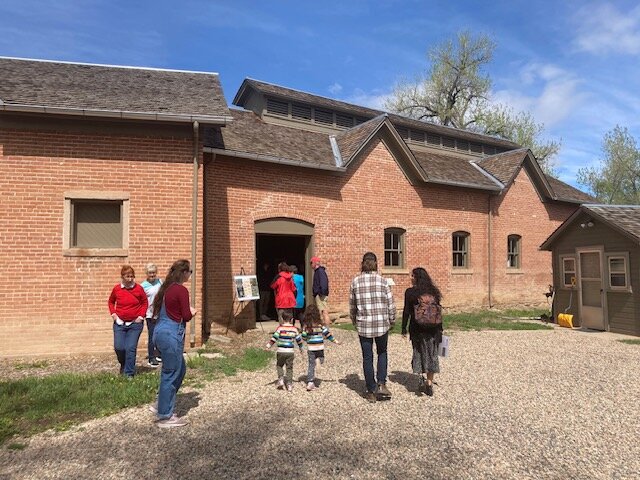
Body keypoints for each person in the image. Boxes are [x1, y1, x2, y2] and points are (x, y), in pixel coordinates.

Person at [150, 259, 196, 428]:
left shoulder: (165, 289)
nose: (190, 275)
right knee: (170, 373)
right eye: (189, 272)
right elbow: (186, 315)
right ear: (183, 273)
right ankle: (165, 416)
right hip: (171, 335)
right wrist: (192, 312)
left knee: (180, 369)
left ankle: (161, 403)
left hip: (160, 332)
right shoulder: (181, 290)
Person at [349, 252, 396, 403]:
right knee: (382, 352)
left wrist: (354, 320)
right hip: (381, 323)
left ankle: (370, 390)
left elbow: (352, 306)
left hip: (364, 324)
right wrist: (392, 320)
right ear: (376, 263)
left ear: (362, 263)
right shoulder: (383, 281)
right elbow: (391, 304)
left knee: (367, 356)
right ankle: (381, 384)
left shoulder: (355, 282)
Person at [401, 267, 443, 397]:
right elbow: (439, 311)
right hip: (433, 329)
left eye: (412, 276)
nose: (411, 278)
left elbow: (406, 311)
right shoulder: (434, 292)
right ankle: (429, 383)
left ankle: (420, 380)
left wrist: (403, 328)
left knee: (418, 352)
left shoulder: (411, 292)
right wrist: (440, 329)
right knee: (432, 354)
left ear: (417, 278)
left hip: (417, 329)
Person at [108, 265, 148, 377]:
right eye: (127, 276)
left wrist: (141, 316)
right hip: (120, 323)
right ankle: (124, 364)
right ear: (122, 277)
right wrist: (114, 314)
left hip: (135, 324)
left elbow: (145, 303)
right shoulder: (117, 289)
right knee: (119, 347)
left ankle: (129, 373)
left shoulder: (139, 289)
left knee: (130, 347)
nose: (130, 279)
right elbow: (111, 302)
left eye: (132, 276)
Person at [301, 304, 340, 391]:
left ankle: (310, 382)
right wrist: (335, 341)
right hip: (320, 347)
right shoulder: (320, 326)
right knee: (321, 359)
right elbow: (328, 335)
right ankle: (318, 360)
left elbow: (303, 337)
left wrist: (306, 337)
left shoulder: (307, 327)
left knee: (311, 365)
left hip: (311, 348)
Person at [265, 311, 303, 391]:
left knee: (279, 365)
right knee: (289, 368)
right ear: (292, 319)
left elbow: (274, 338)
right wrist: (301, 348)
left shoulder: (280, 328)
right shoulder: (294, 329)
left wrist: (268, 346)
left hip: (281, 351)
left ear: (282, 319)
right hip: (290, 352)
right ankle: (289, 384)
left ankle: (281, 379)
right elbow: (299, 340)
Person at [141, 263, 163, 368]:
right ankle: (151, 357)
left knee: (160, 334)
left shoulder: (160, 282)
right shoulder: (143, 286)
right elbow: (141, 300)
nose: (152, 275)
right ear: (147, 274)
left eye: (154, 272)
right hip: (150, 314)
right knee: (152, 336)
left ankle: (159, 354)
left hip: (160, 312)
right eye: (150, 273)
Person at [311, 256, 330, 326]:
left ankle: (326, 328)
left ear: (315, 263)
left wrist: (321, 293)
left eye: (311, 263)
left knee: (324, 312)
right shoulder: (318, 271)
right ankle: (323, 327)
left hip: (320, 295)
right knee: (322, 311)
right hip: (319, 294)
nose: (311, 265)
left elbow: (323, 283)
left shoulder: (320, 271)